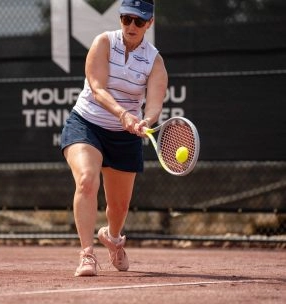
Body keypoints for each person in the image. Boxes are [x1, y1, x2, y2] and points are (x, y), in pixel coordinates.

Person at [61, 0, 168, 277]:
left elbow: (155, 103)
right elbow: (96, 88)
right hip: (87, 123)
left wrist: (147, 120)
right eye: (126, 19)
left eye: (139, 21)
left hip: (125, 137)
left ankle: (114, 237)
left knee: (118, 207)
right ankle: (86, 255)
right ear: (120, 18)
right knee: (86, 179)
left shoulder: (155, 60)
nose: (132, 26)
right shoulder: (103, 43)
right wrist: (122, 113)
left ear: (150, 23)